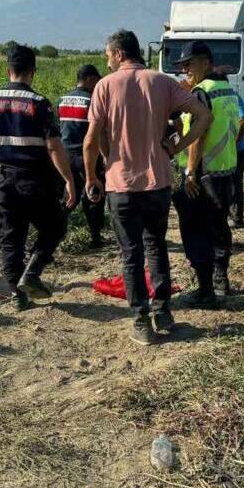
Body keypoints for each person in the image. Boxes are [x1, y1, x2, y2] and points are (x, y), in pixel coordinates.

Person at [84, 29, 211, 345]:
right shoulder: (163, 82)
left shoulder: (105, 86)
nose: (107, 61)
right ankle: (163, 310)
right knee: (156, 245)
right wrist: (175, 148)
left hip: (120, 185)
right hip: (157, 183)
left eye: (107, 56)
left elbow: (90, 138)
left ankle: (141, 320)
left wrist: (93, 174)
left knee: (131, 253)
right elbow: (203, 115)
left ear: (117, 54)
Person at [0, 45, 77, 311]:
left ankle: (16, 294)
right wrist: (68, 179)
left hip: (1, 179)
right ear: (33, 71)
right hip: (33, 180)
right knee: (55, 225)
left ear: (8, 70)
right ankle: (31, 273)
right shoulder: (39, 104)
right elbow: (54, 147)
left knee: (11, 236)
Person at [171, 41, 241, 307]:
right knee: (219, 226)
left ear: (204, 61)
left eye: (188, 64)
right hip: (226, 170)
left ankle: (205, 289)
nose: (185, 70)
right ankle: (221, 279)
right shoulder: (226, 90)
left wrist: (189, 172)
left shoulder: (202, 93)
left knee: (196, 230)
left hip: (202, 174)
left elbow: (199, 136)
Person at [58, 64, 106, 247]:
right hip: (88, 156)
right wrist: (105, 157)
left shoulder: (61, 100)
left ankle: (57, 235)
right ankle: (95, 237)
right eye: (96, 80)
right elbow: (100, 134)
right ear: (88, 79)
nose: (97, 84)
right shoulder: (93, 101)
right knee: (94, 194)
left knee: (69, 196)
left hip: (65, 156)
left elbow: (56, 130)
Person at [231, 92, 244, 228]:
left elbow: (243, 119)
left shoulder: (232, 97)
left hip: (237, 151)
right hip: (231, 151)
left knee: (234, 184)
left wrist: (234, 143)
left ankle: (237, 219)